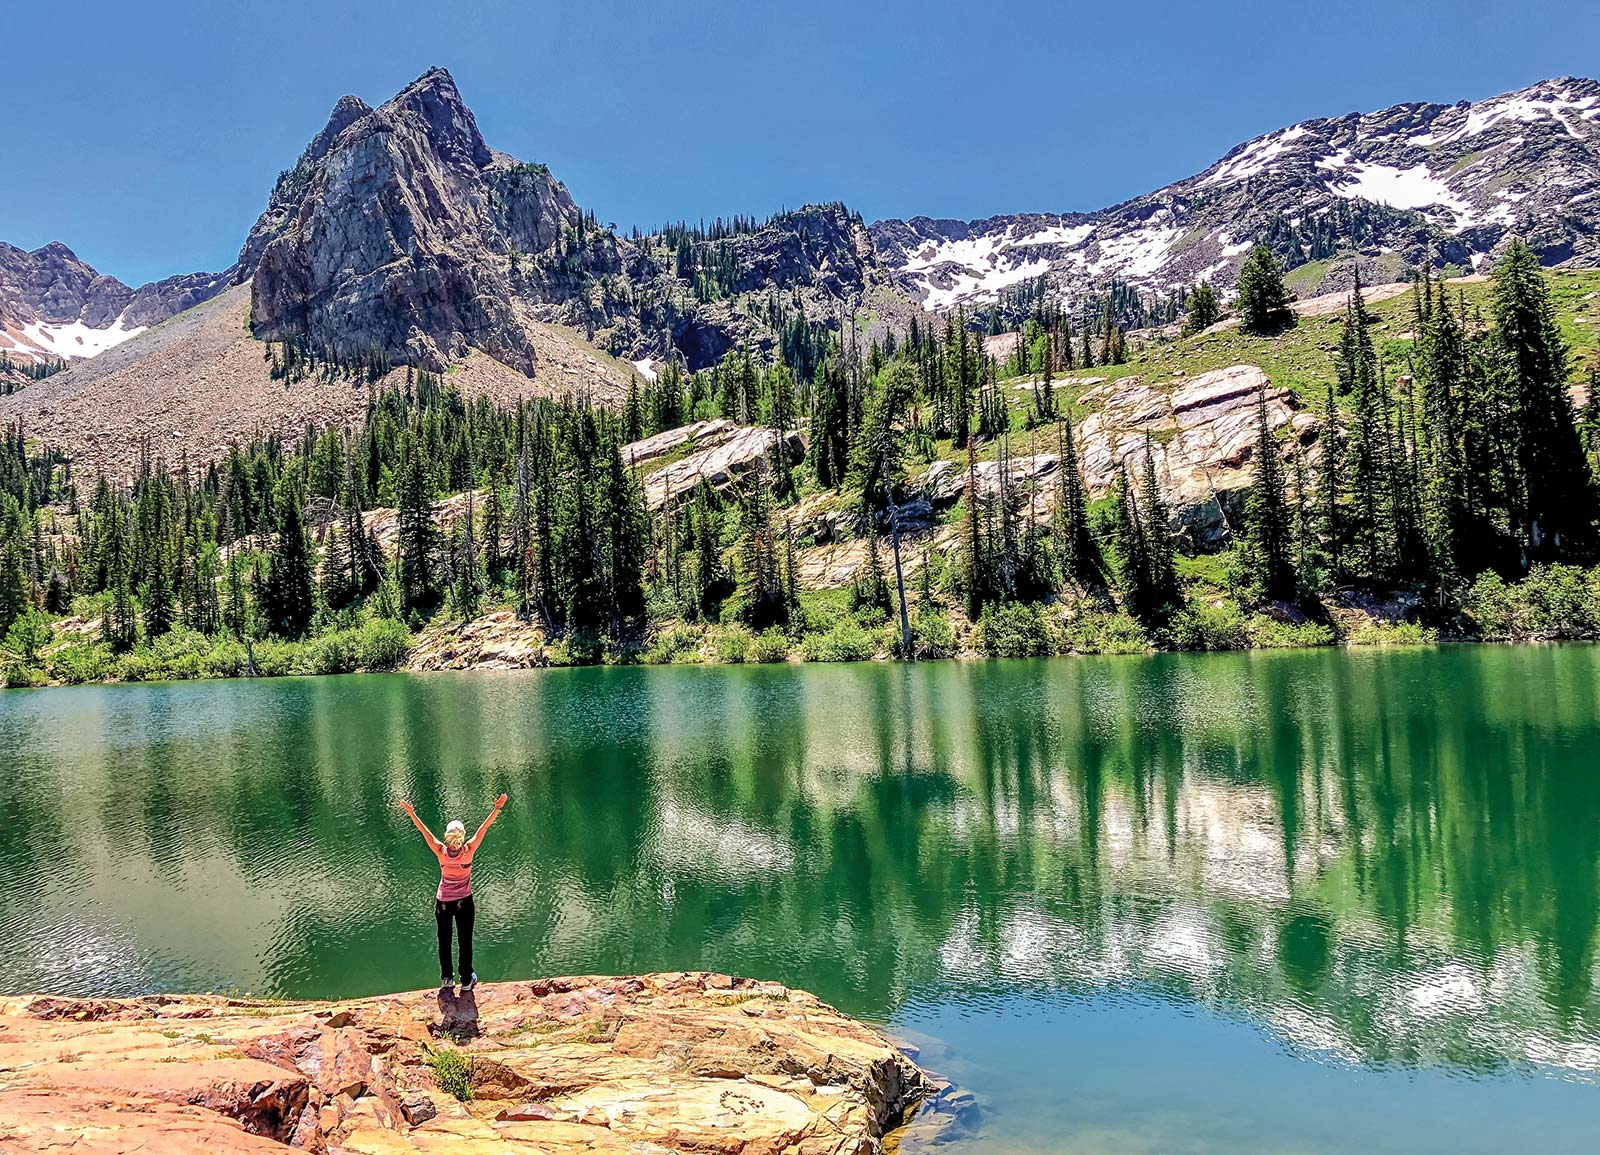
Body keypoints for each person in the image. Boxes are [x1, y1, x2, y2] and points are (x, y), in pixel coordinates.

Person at [399, 794, 507, 990]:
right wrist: (497, 809)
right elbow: (484, 828)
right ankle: (466, 979)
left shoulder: (440, 850)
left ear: (447, 835)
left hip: (443, 903)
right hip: (464, 901)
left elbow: (424, 831)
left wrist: (411, 813)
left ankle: (447, 979)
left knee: (444, 940)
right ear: (462, 835)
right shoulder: (469, 850)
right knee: (465, 940)